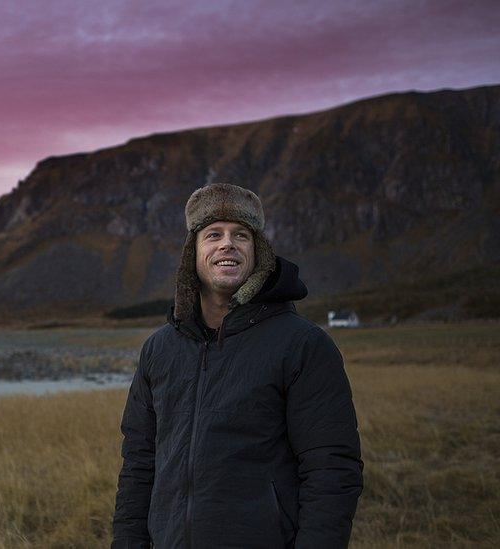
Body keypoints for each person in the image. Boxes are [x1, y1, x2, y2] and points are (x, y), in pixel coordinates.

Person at [111, 183, 364, 548]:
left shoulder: (303, 345)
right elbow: (138, 465)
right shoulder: (159, 350)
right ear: (193, 254)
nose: (227, 244)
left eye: (240, 235)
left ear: (257, 251)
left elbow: (331, 470)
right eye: (213, 234)